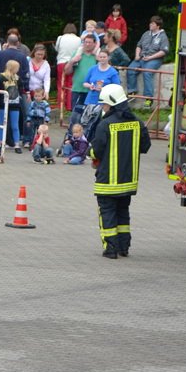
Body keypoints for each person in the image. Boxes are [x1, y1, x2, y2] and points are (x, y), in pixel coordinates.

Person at [89, 84, 151, 258]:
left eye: (104, 104)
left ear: (112, 103)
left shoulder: (105, 124)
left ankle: (111, 249)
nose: (103, 107)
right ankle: (124, 247)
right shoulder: (137, 122)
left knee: (107, 214)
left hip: (107, 182)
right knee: (123, 214)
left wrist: (90, 152)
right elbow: (145, 146)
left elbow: (96, 150)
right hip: (128, 181)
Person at [126, 16, 169, 104]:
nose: (150, 25)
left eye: (152, 23)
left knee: (147, 72)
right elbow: (139, 45)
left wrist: (150, 57)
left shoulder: (163, 37)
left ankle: (148, 98)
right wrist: (137, 55)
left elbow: (164, 51)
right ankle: (132, 92)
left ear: (158, 26)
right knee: (130, 69)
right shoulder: (146, 34)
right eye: (150, 23)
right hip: (141, 57)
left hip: (155, 59)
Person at [0, 60, 23, 151]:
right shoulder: (1, 78)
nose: (18, 69)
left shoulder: (17, 78)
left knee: (15, 125)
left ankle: (17, 144)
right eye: (17, 68)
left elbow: (20, 89)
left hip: (15, 104)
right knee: (1, 124)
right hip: (3, 104)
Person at [54, 23, 80, 113]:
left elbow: (57, 49)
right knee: (70, 84)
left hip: (61, 61)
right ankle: (70, 105)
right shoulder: (78, 39)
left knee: (61, 84)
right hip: (73, 63)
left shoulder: (60, 38)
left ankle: (61, 104)